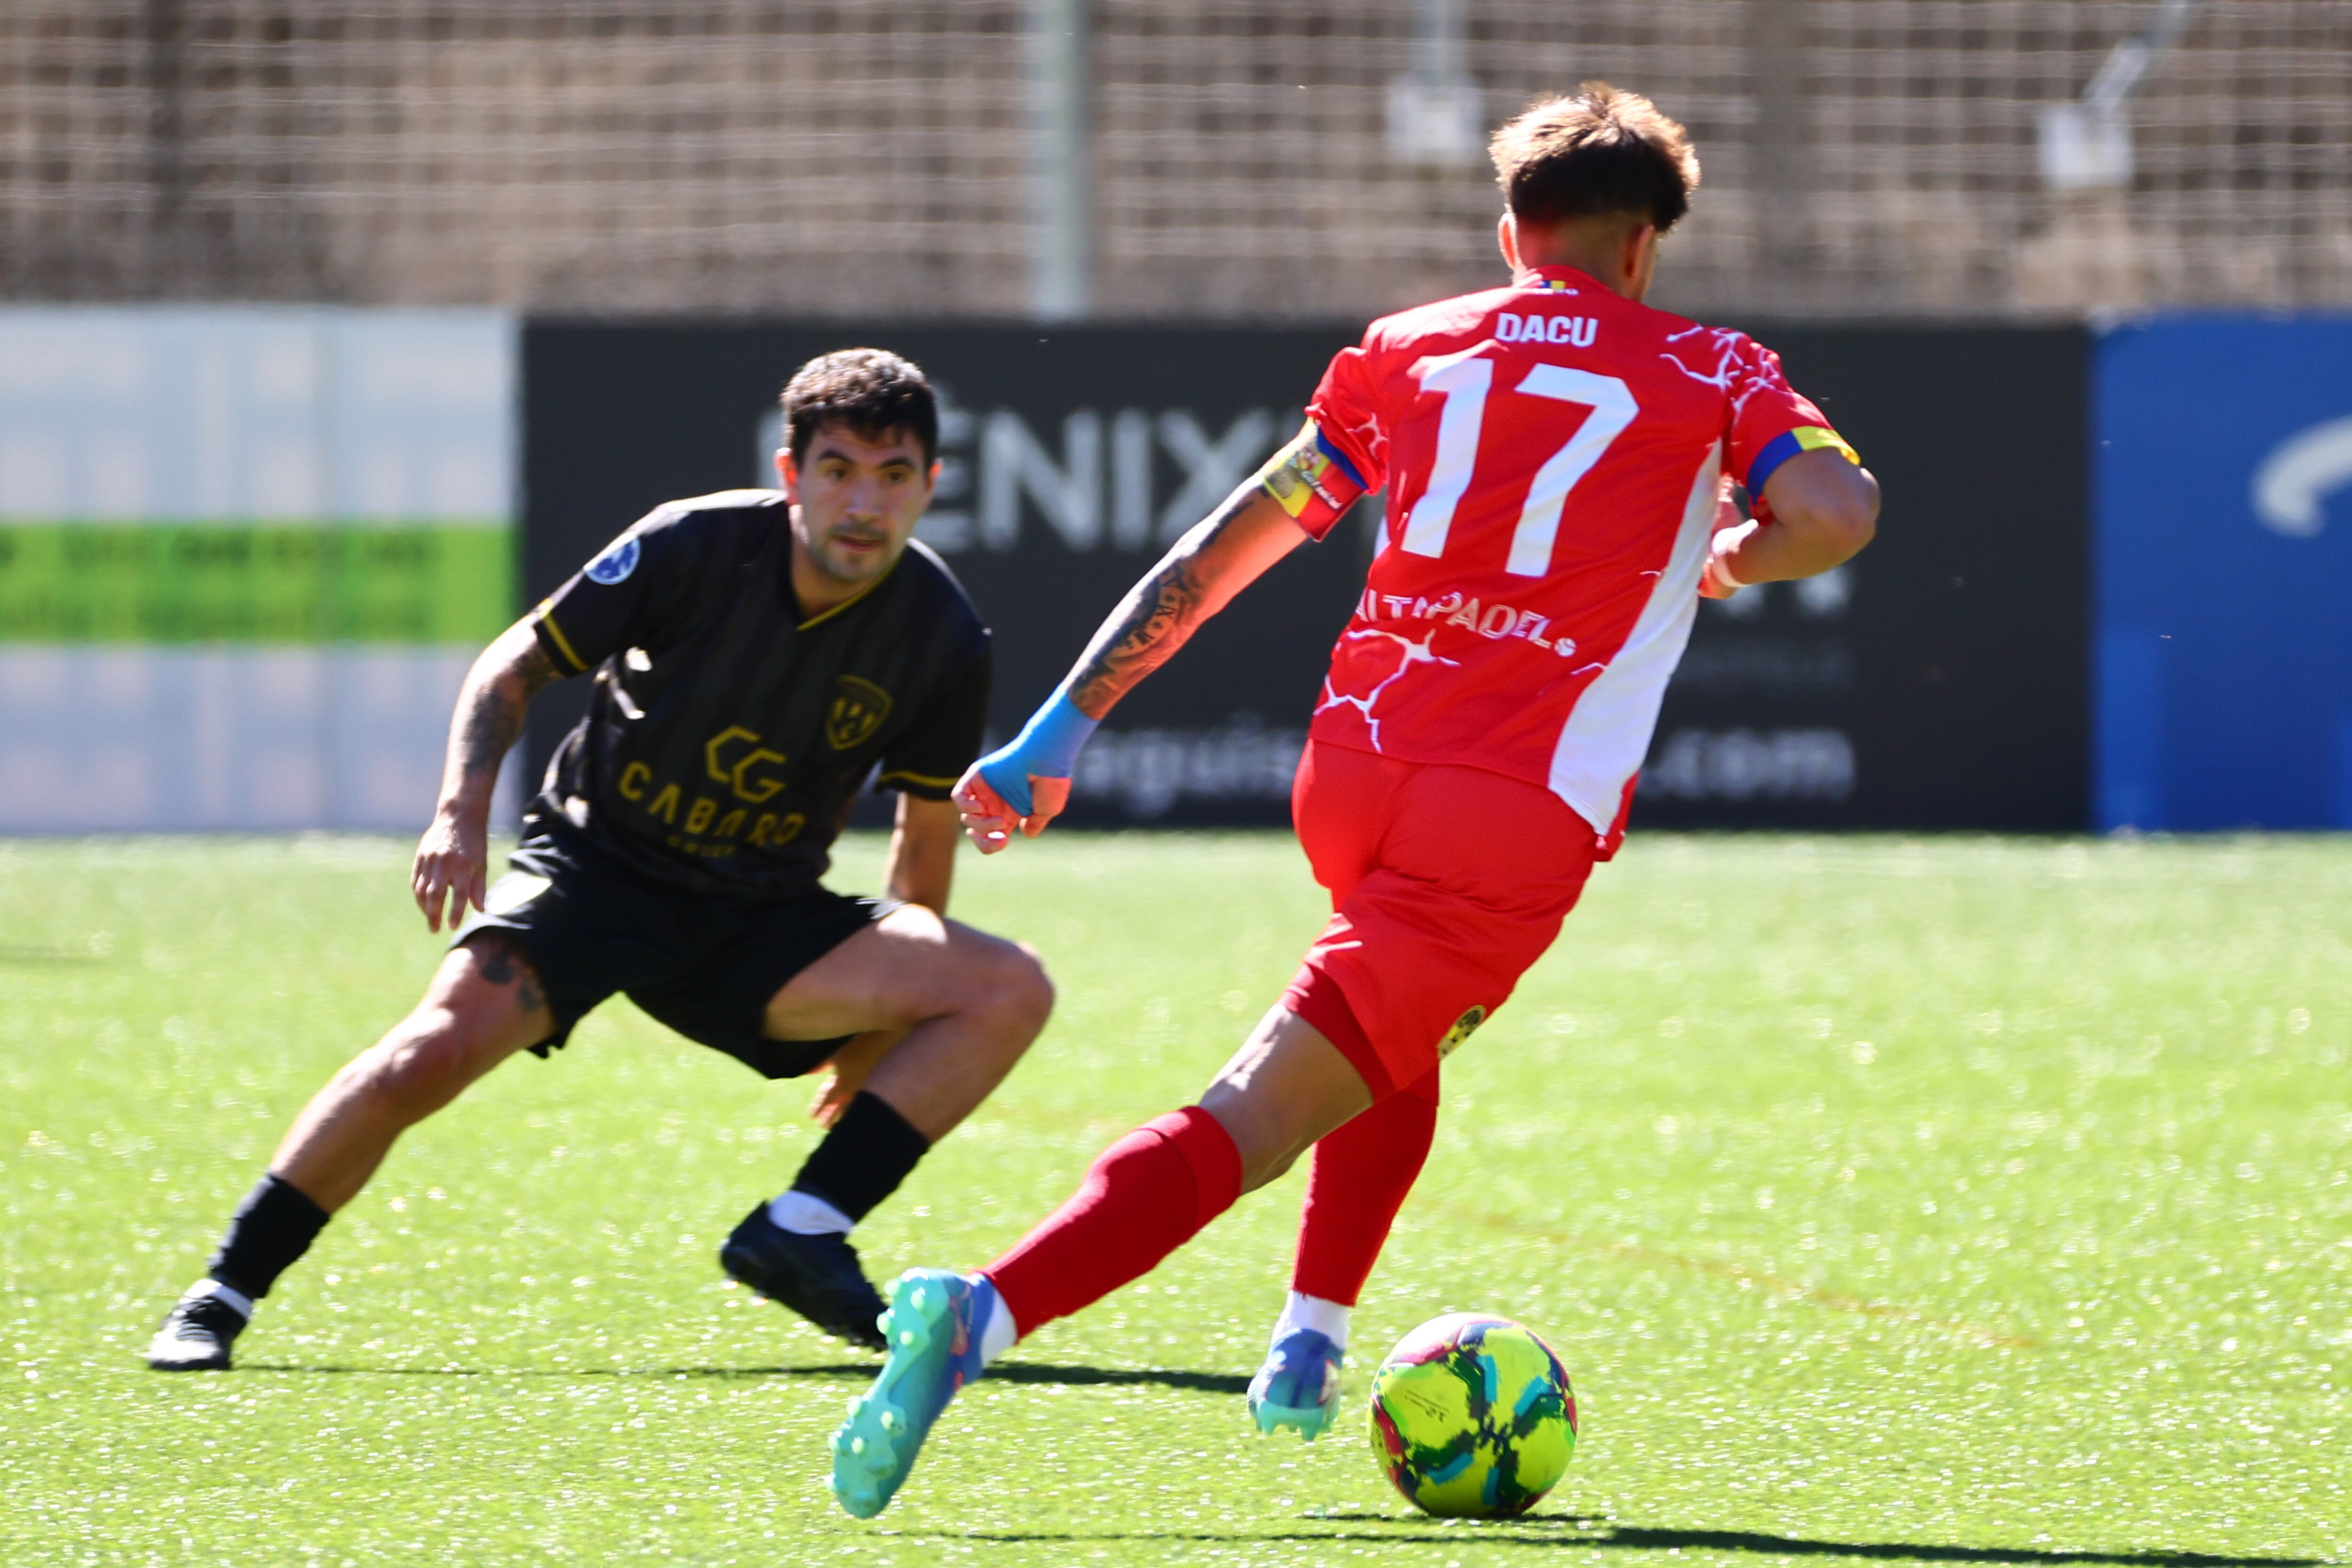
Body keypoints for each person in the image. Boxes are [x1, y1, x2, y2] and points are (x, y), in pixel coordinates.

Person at [822, 85, 1881, 1519]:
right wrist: (1734, 560)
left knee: (1385, 1016)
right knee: (1257, 1110)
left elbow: (1226, 545)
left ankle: (1311, 1337)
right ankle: (984, 1313)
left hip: (1357, 771)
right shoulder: (1712, 364)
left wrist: (1065, 721)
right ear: (1645, 248)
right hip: (1510, 809)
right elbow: (1834, 511)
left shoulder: (1407, 348)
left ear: (1515, 232)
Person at [145, 348, 1053, 1373]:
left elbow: (921, 838)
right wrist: (460, 811)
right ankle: (222, 1292)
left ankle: (802, 1226)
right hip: (594, 874)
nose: (863, 504)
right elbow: (515, 662)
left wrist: (879, 1030)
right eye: (839, 469)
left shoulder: (942, 634)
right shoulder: (692, 546)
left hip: (761, 922)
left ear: (930, 488)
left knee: (1006, 985)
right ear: (790, 470)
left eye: (893, 478)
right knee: (426, 1054)